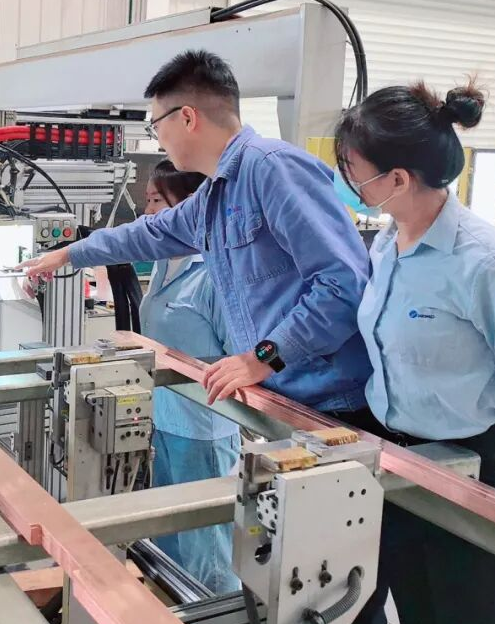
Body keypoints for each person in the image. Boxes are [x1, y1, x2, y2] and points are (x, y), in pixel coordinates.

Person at [330, 80, 495, 624]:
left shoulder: (493, 265)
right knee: (405, 618)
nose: (347, 182)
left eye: (352, 170)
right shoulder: (387, 246)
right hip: (398, 464)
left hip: (477, 472)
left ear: (397, 179)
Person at [20, 49, 373, 419]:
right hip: (285, 400)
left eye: (156, 125)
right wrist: (69, 253)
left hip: (337, 405)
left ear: (187, 117)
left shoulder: (273, 169)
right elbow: (148, 234)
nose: (159, 139)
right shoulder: (214, 196)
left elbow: (343, 286)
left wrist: (261, 358)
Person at [141, 160, 241, 594]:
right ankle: (175, 616)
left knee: (207, 548)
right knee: (168, 533)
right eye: (147, 200)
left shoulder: (215, 274)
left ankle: (219, 623)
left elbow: (242, 355)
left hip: (203, 429)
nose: (147, 212)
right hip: (164, 418)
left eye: (157, 201)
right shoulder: (164, 261)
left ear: (189, 206)